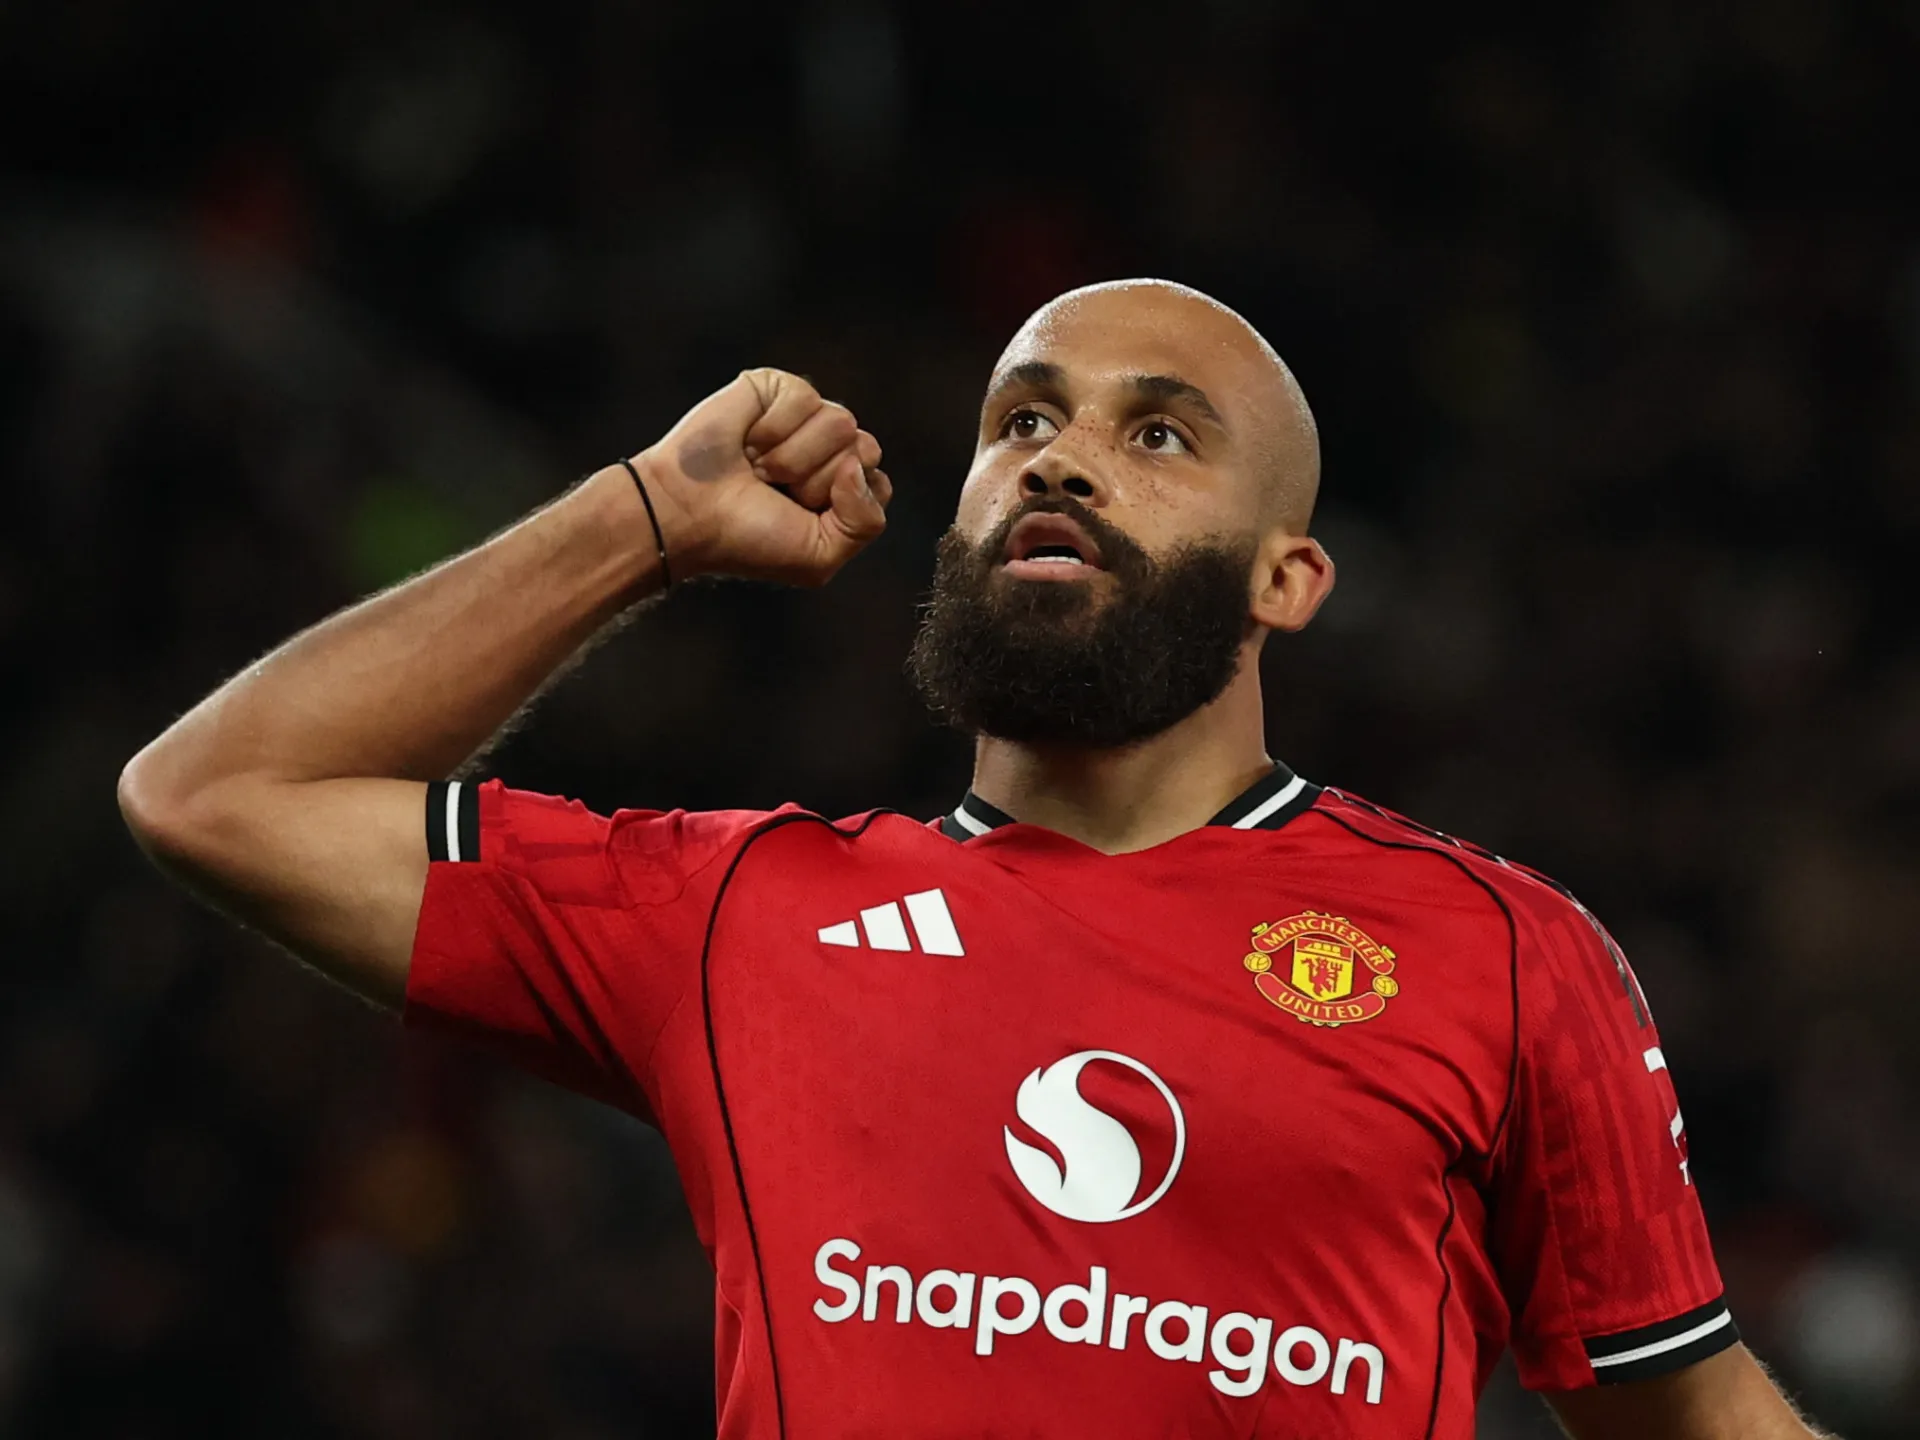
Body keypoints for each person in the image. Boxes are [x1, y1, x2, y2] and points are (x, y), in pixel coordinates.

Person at [119, 280, 1831, 1438]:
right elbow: (218, 796)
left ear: (1285, 578)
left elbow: (1690, 1413)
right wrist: (643, 519)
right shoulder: (737, 914)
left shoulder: (1500, 954)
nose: (1060, 458)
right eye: (1020, 422)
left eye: (1159, 436)